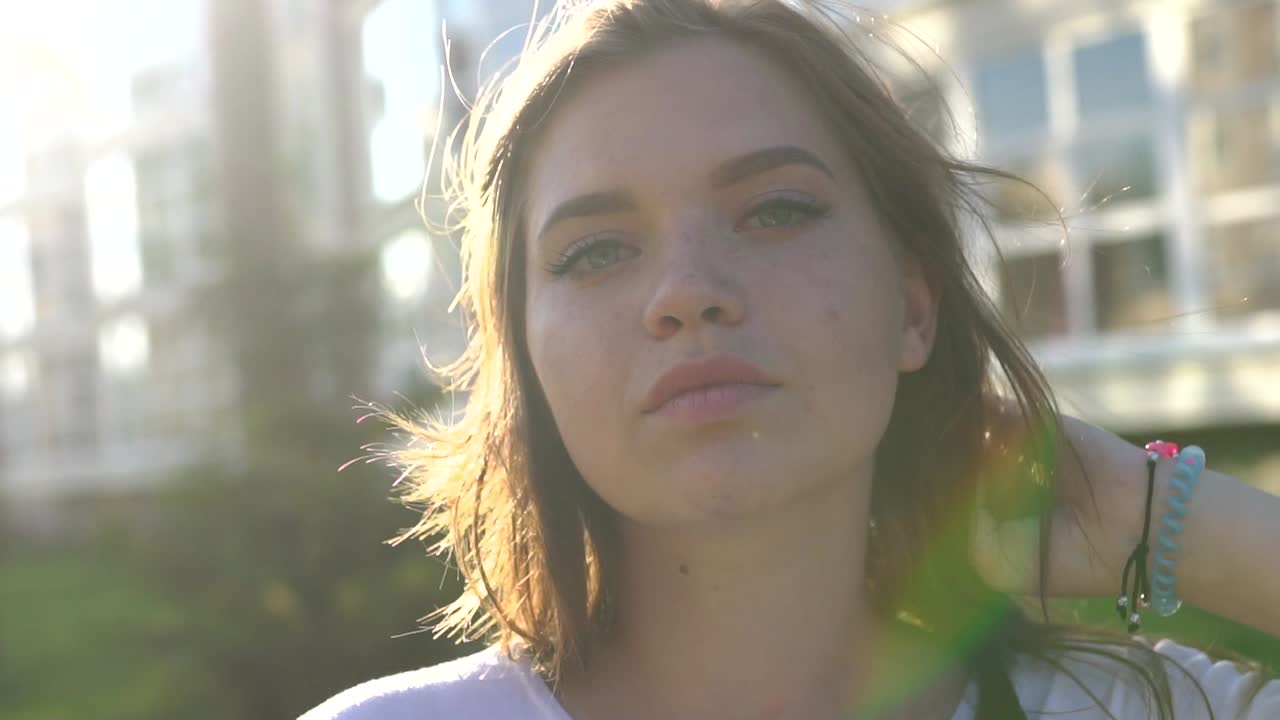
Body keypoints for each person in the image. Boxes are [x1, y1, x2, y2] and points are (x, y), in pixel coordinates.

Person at [303, 1, 1280, 717]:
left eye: (775, 210)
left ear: (912, 306)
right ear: (524, 357)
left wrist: (1149, 520)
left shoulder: (1137, 709)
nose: (687, 290)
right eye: (594, 252)